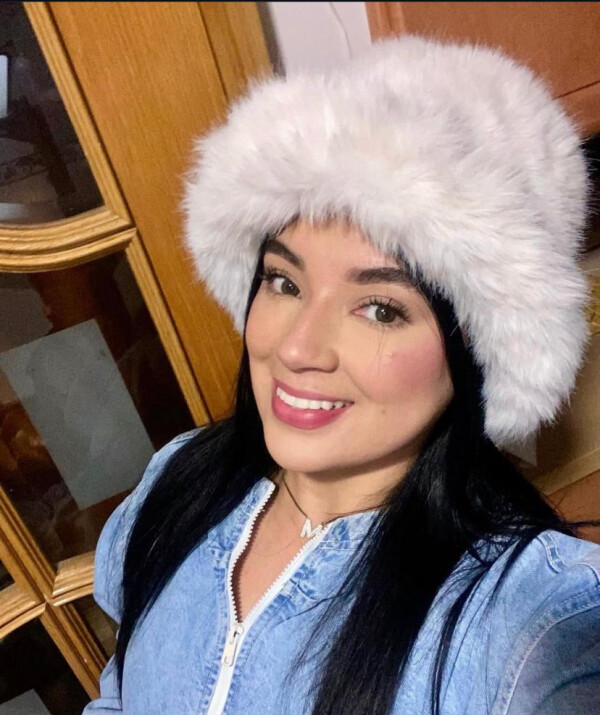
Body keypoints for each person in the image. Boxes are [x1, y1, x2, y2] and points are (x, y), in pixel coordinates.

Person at [83, 35, 600, 714]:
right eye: (283, 281)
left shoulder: (532, 626)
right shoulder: (178, 481)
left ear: (480, 351)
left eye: (380, 308)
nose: (297, 347)